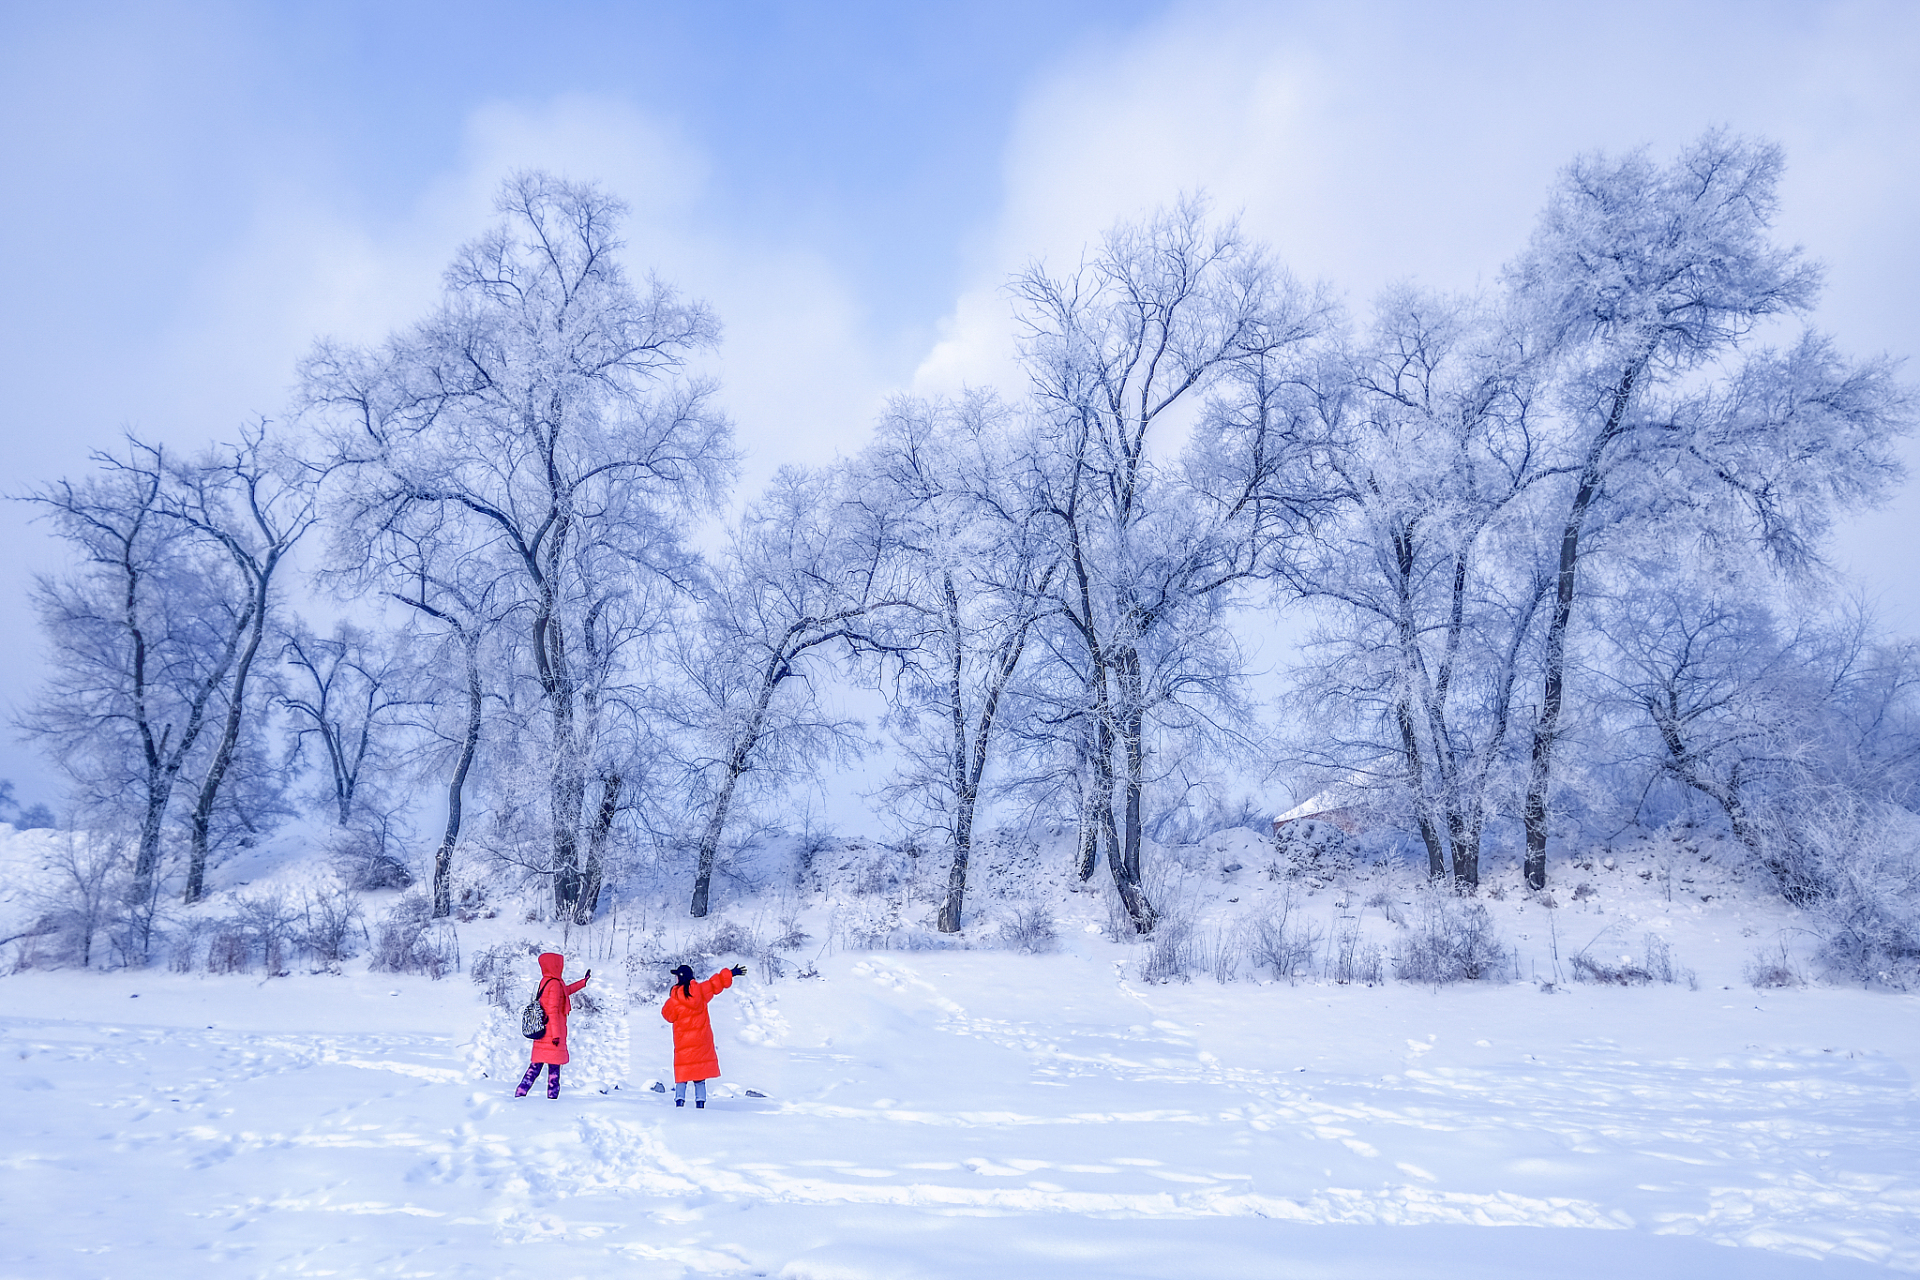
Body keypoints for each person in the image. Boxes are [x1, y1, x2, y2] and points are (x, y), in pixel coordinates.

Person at [661, 962, 746, 1108]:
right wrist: (731, 973)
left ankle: (679, 1102)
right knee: (699, 1077)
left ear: (680, 978)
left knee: (682, 1073)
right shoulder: (700, 991)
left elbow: (667, 1015)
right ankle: (700, 1103)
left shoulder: (674, 1000)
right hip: (702, 1040)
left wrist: (672, 1000)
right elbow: (715, 983)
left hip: (684, 1044)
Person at [515, 952, 590, 1100]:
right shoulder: (555, 984)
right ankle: (552, 1101)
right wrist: (556, 1035)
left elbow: (566, 991)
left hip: (543, 1033)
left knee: (535, 1067)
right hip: (552, 1035)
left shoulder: (548, 981)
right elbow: (553, 1011)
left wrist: (583, 982)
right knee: (554, 1070)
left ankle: (520, 1094)